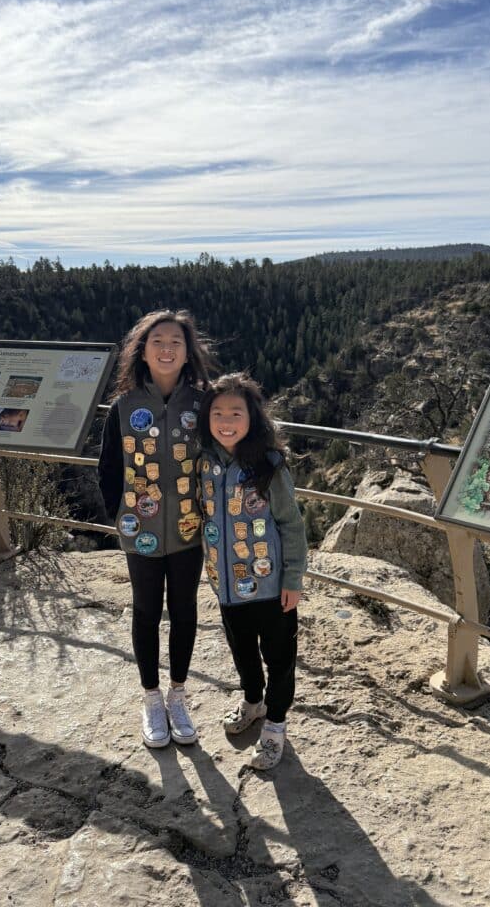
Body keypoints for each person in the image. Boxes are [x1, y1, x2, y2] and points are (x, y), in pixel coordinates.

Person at [98, 310, 213, 749]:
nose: (167, 349)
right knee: (146, 610)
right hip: (139, 528)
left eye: (176, 342)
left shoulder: (202, 406)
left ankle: (178, 694)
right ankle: (151, 698)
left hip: (189, 528)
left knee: (184, 609)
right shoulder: (124, 407)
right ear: (142, 352)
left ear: (188, 354)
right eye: (157, 341)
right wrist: (120, 515)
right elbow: (108, 467)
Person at [197, 372, 307, 769]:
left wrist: (293, 578)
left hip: (271, 585)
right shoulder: (204, 462)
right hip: (227, 585)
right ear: (207, 417)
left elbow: (291, 524)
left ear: (252, 417)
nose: (226, 421)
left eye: (236, 413)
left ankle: (275, 724)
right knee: (242, 650)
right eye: (218, 412)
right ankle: (253, 702)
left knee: (279, 657)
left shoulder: (268, 465)